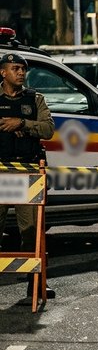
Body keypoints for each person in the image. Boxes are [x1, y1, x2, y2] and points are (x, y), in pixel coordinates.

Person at [0, 53, 55, 299]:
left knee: (32, 230)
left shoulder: (35, 99)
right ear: (3, 72)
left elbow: (48, 129)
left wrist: (22, 124)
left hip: (26, 172)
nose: (21, 73)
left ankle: (36, 286)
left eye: (23, 69)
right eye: (15, 68)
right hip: (0, 172)